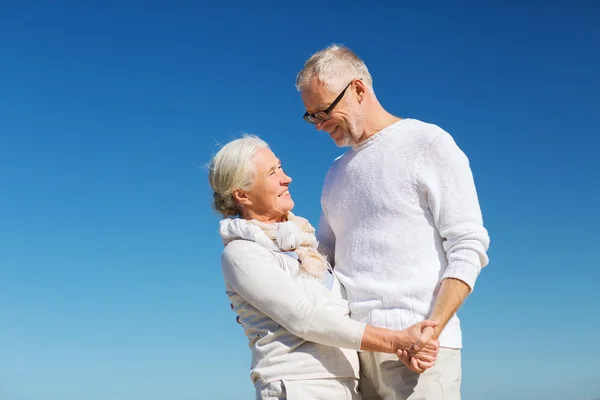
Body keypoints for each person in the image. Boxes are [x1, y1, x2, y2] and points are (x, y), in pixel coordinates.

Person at [295, 44, 491, 400]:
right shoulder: (336, 172)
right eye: (311, 117)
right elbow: (322, 261)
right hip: (355, 353)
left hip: (422, 353)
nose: (320, 126)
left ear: (358, 89)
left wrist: (431, 331)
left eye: (324, 111)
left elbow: (468, 245)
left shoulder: (427, 143)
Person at [208, 135, 440, 400]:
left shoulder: (305, 245)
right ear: (242, 194)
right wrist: (395, 341)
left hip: (341, 384)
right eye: (272, 173)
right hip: (298, 386)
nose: (286, 178)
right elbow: (305, 318)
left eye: (281, 167)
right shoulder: (242, 253)